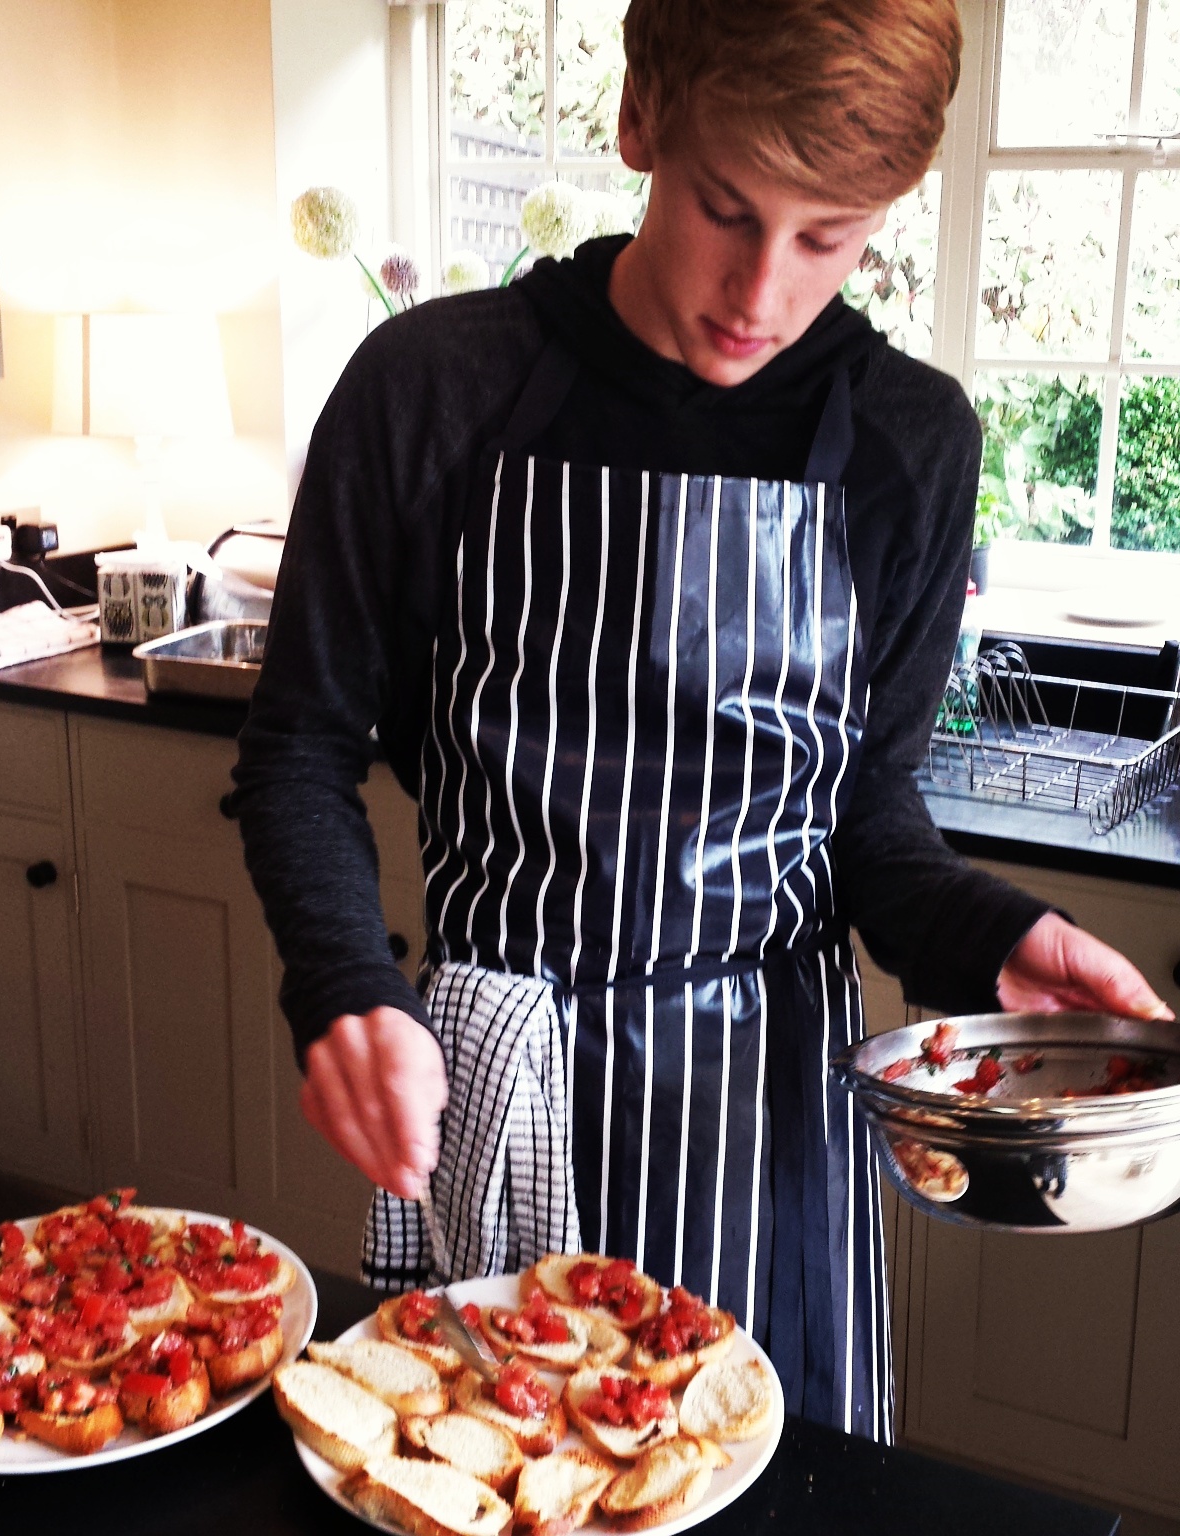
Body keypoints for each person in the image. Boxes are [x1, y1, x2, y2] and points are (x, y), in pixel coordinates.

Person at [232, 0, 1173, 1443]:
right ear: (641, 124)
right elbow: (299, 747)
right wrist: (344, 984)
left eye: (831, 237)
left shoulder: (911, 442)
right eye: (727, 210)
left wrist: (992, 935)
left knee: (769, 1482)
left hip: (773, 1108)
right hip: (510, 1078)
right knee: (497, 1471)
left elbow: (867, 821)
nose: (761, 291)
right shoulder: (434, 386)